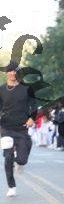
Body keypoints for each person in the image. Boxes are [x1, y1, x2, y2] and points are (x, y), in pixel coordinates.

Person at [0, 61, 37, 196]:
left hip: (22, 128)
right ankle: (11, 186)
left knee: (22, 160)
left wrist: (32, 118)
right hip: (6, 128)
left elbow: (34, 105)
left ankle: (19, 162)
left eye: (15, 71)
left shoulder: (27, 88)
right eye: (10, 71)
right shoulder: (1, 89)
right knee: (8, 157)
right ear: (7, 73)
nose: (12, 73)